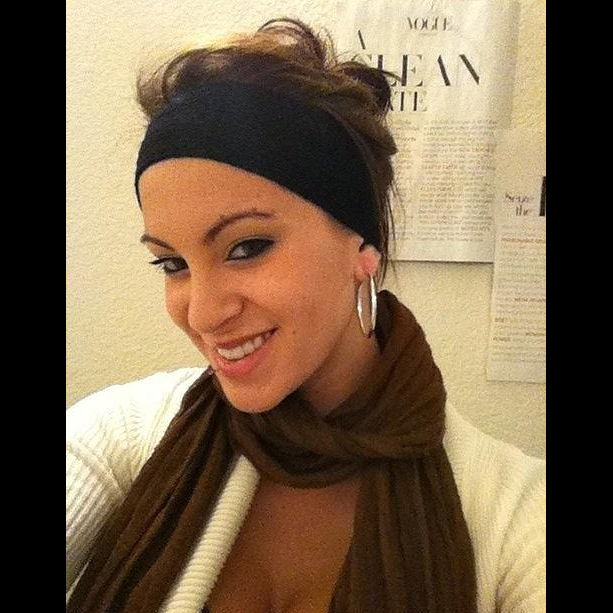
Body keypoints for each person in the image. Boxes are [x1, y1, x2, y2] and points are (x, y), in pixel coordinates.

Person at [66, 18, 545, 613]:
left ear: (362, 248)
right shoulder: (128, 436)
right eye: (173, 264)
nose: (204, 314)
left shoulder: (515, 517)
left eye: (247, 247)